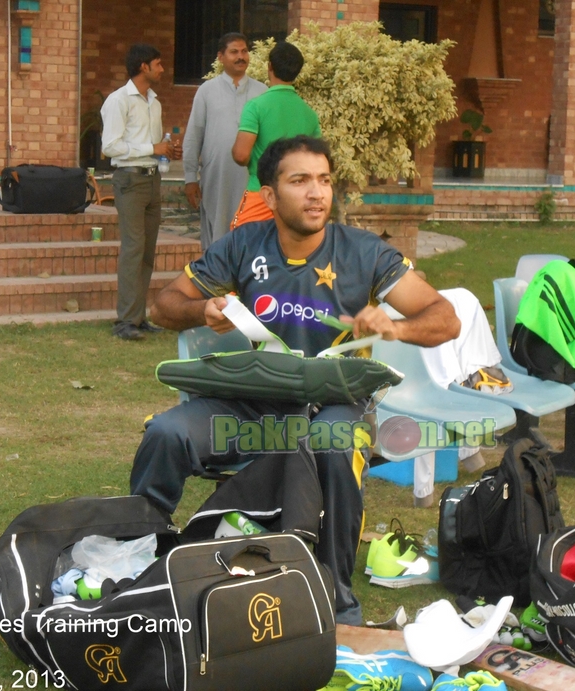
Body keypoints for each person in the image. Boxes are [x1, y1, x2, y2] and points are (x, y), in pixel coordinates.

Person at [130, 136, 460, 625]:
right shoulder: (244, 246)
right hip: (254, 400)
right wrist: (202, 308)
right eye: (300, 180)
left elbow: (446, 318)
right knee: (165, 432)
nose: (316, 193)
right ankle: (141, 559)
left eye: (324, 180)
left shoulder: (363, 252)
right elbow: (162, 305)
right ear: (269, 195)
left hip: (334, 403)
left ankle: (335, 598)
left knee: (335, 442)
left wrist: (397, 326)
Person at [101, 43, 181, 341]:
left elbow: (152, 145)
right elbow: (109, 146)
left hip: (151, 179)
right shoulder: (118, 101)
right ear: (143, 67)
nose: (162, 69)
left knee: (147, 250)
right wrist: (152, 148)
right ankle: (125, 321)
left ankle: (137, 316)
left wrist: (166, 150)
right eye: (158, 64)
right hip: (130, 181)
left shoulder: (154, 102)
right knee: (133, 248)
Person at [183, 33, 268, 250]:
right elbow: (194, 135)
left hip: (253, 181)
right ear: (221, 57)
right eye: (234, 52)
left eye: (244, 51)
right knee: (217, 240)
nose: (241, 57)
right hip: (217, 179)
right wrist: (190, 177)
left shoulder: (263, 92)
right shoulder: (206, 91)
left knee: (251, 239)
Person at [229, 42, 321, 230]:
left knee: (242, 249)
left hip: (261, 192)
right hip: (296, 197)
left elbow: (240, 155)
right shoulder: (309, 114)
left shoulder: (256, 106)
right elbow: (317, 160)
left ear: (269, 66)